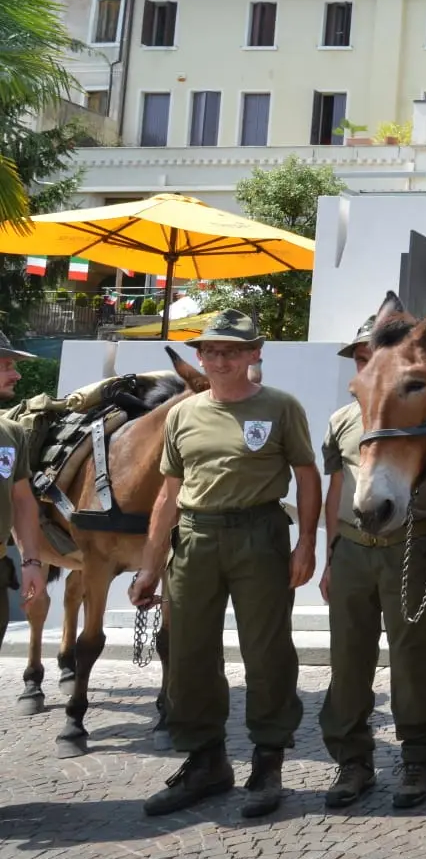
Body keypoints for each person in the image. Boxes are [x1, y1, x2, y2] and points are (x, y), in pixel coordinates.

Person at [131, 310, 320, 820]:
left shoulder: (280, 406)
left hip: (260, 534)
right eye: (211, 351)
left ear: (254, 353)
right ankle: (206, 762)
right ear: (199, 357)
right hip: (195, 538)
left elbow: (307, 475)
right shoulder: (183, 414)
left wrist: (306, 543)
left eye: (232, 351)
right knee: (188, 652)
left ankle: (268, 761)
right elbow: (168, 493)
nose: (219, 360)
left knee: (267, 651)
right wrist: (150, 565)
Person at [317, 316, 426, 811]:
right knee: (348, 659)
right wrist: (330, 556)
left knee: (413, 657)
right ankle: (352, 760)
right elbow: (335, 491)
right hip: (352, 549)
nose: (367, 363)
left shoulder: (423, 415)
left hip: (410, 546)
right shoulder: (341, 420)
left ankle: (416, 758)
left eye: (375, 356)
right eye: (361, 357)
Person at [0, 330, 49, 640]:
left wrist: (31, 562)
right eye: (6, 365)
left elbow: (22, 500)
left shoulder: (12, 432)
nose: (16, 375)